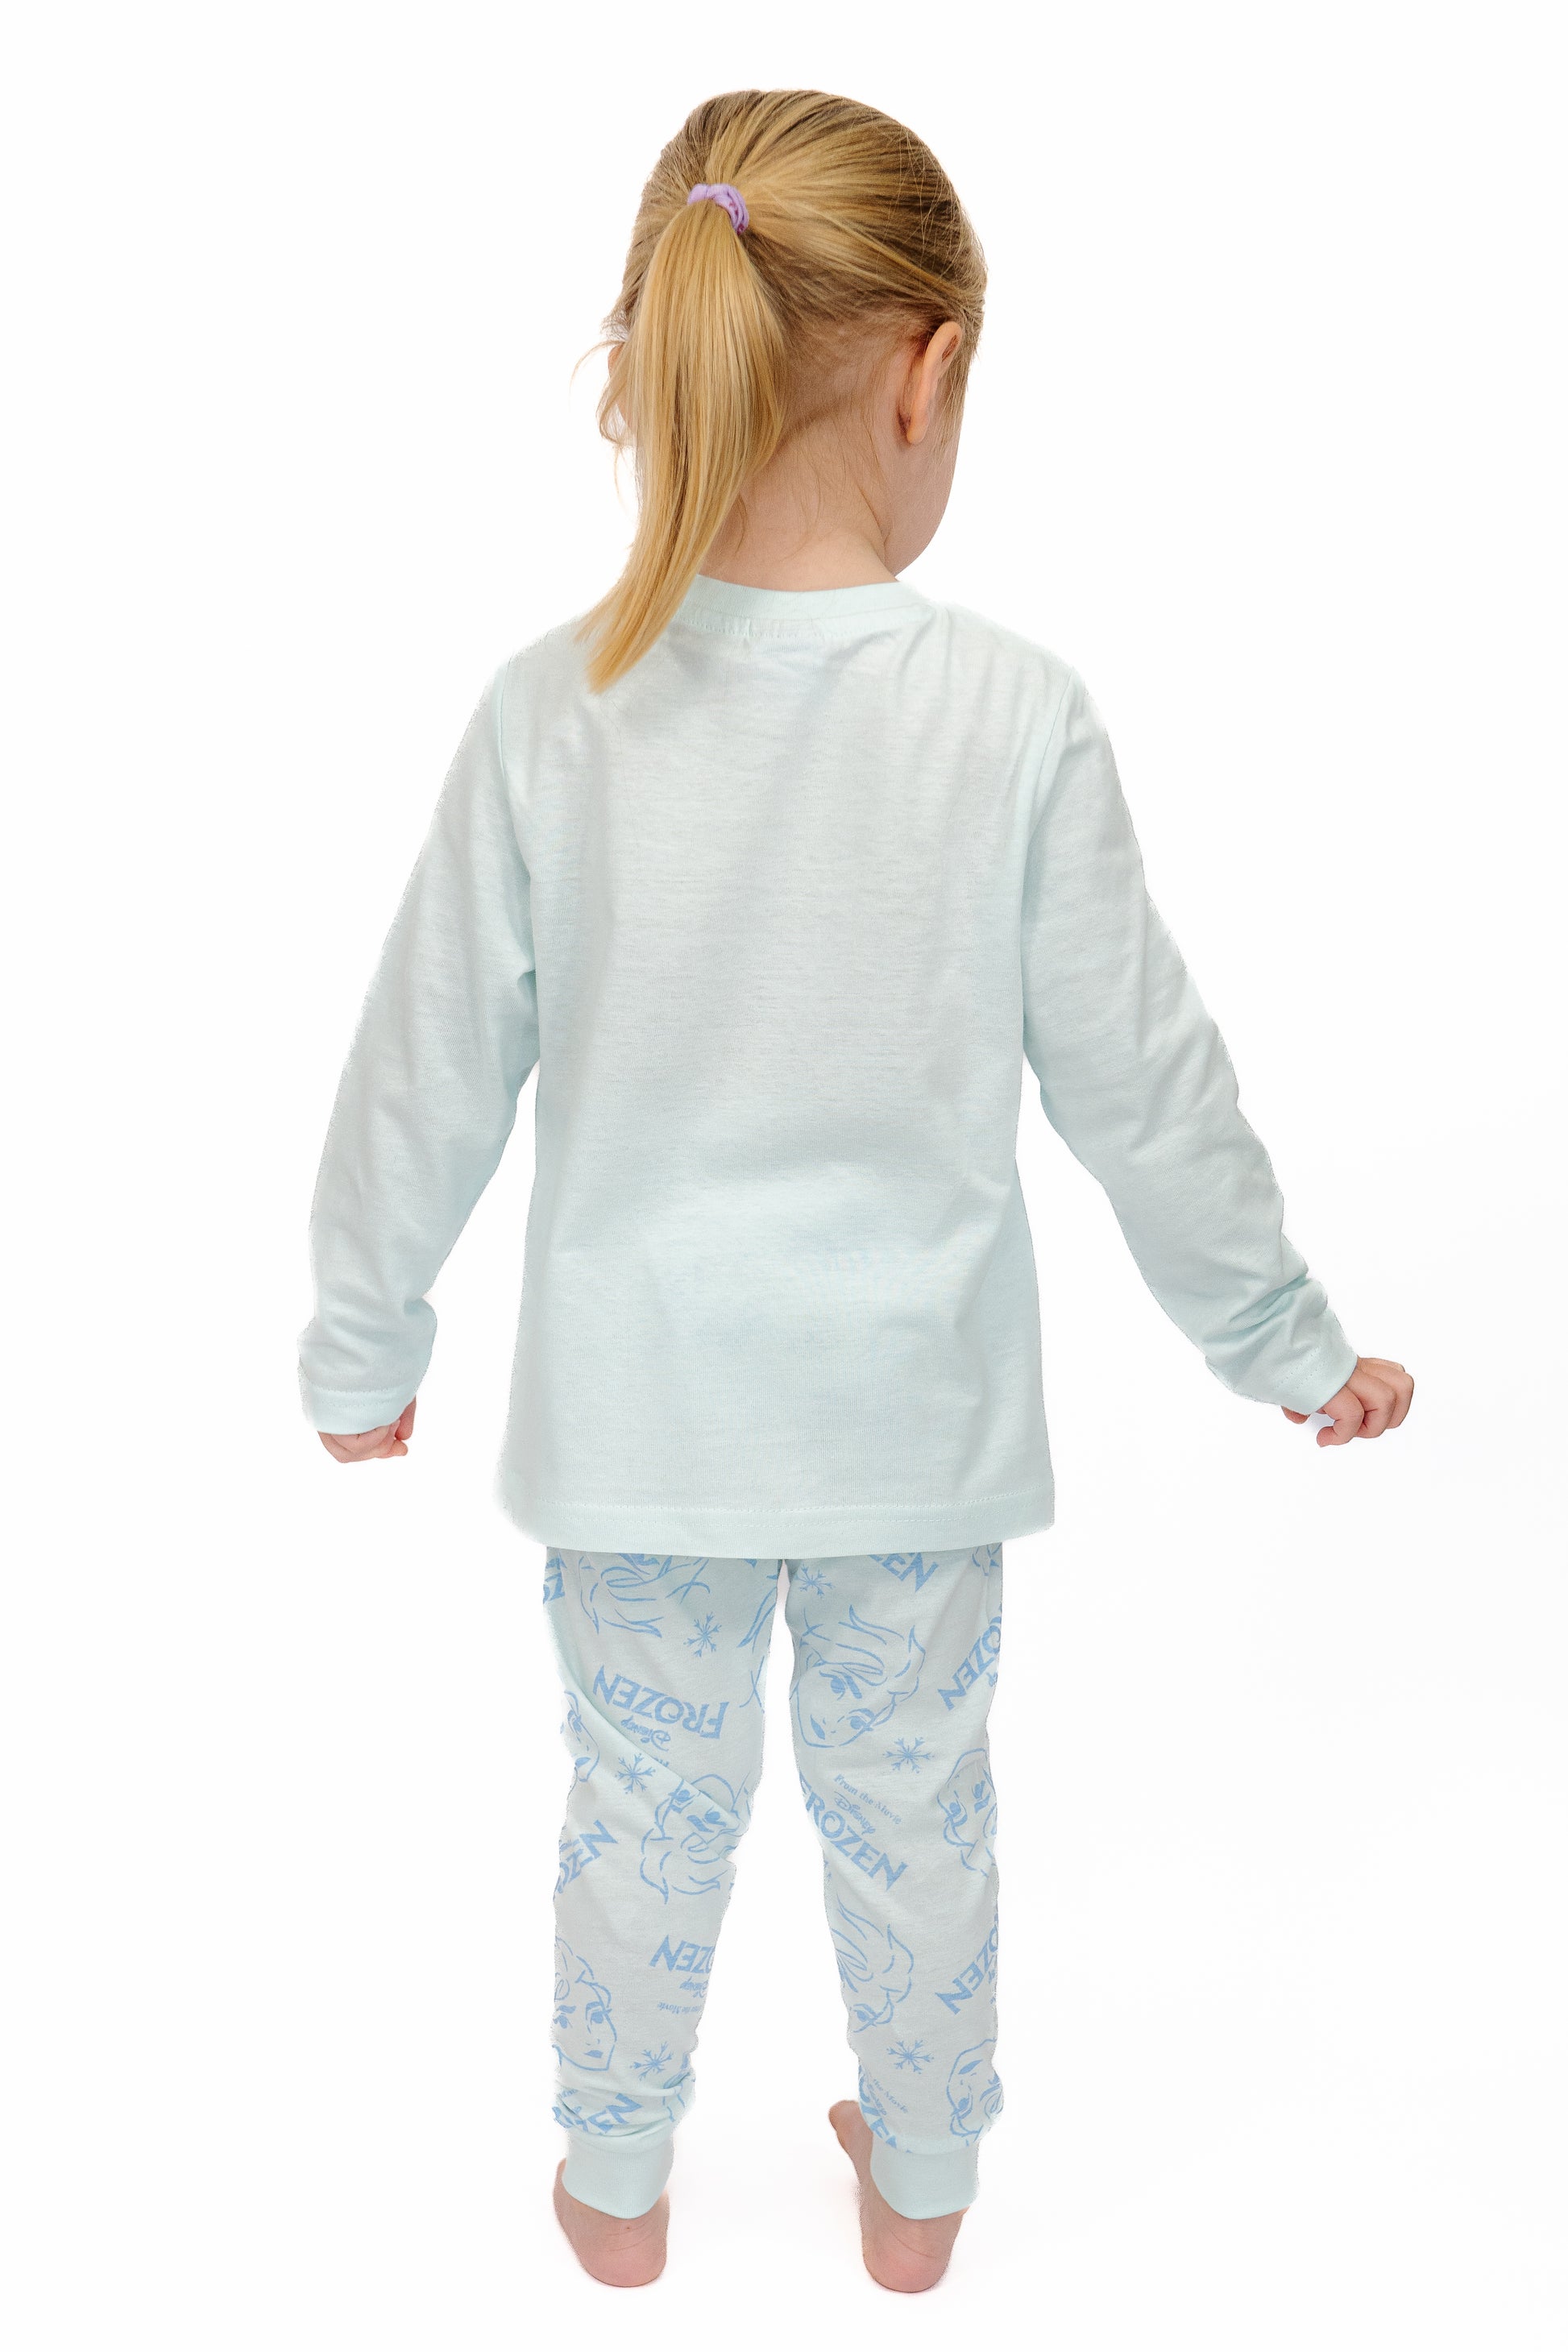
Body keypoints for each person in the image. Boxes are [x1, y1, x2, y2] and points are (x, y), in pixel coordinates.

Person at [297, 87, 1413, 2293]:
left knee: (641, 1808)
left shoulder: (555, 712)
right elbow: (1146, 1086)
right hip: (911, 1435)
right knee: (917, 1810)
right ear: (926, 372)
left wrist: (361, 1345)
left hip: (641, 1433)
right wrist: (1283, 1341)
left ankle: (617, 2184)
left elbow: (421, 1074)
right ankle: (917, 2190)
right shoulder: (1009, 718)